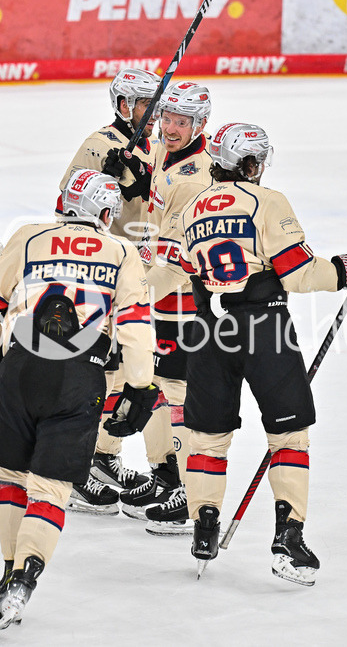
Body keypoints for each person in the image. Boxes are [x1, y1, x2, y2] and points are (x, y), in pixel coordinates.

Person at [167, 123, 347, 584]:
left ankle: (204, 524)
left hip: (207, 334)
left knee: (207, 439)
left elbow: (188, 274)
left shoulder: (190, 210)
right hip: (263, 328)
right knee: (289, 437)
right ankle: (288, 538)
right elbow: (298, 273)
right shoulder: (267, 201)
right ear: (249, 163)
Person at [0, 169, 158, 636]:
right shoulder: (121, 250)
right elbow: (134, 325)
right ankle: (24, 580)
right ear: (107, 214)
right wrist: (138, 386)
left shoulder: (30, 237)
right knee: (50, 489)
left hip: (23, 366)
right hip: (79, 376)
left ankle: (9, 571)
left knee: (11, 474)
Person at [57, 67, 163, 514]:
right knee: (97, 372)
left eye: (153, 105)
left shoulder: (156, 144)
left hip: (140, 271)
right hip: (102, 273)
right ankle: (75, 466)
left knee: (123, 372)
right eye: (144, 105)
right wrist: (107, 180)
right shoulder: (99, 144)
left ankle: (103, 456)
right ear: (123, 105)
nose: (152, 114)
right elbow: (66, 205)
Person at [118, 80, 215, 535]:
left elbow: (176, 264)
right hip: (163, 287)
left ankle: (188, 494)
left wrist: (130, 297)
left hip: (180, 295)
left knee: (177, 390)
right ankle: (170, 475)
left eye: (182, 122)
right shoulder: (165, 150)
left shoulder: (195, 179)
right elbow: (153, 171)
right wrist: (131, 167)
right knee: (160, 385)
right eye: (167, 119)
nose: (171, 128)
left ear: (200, 125)